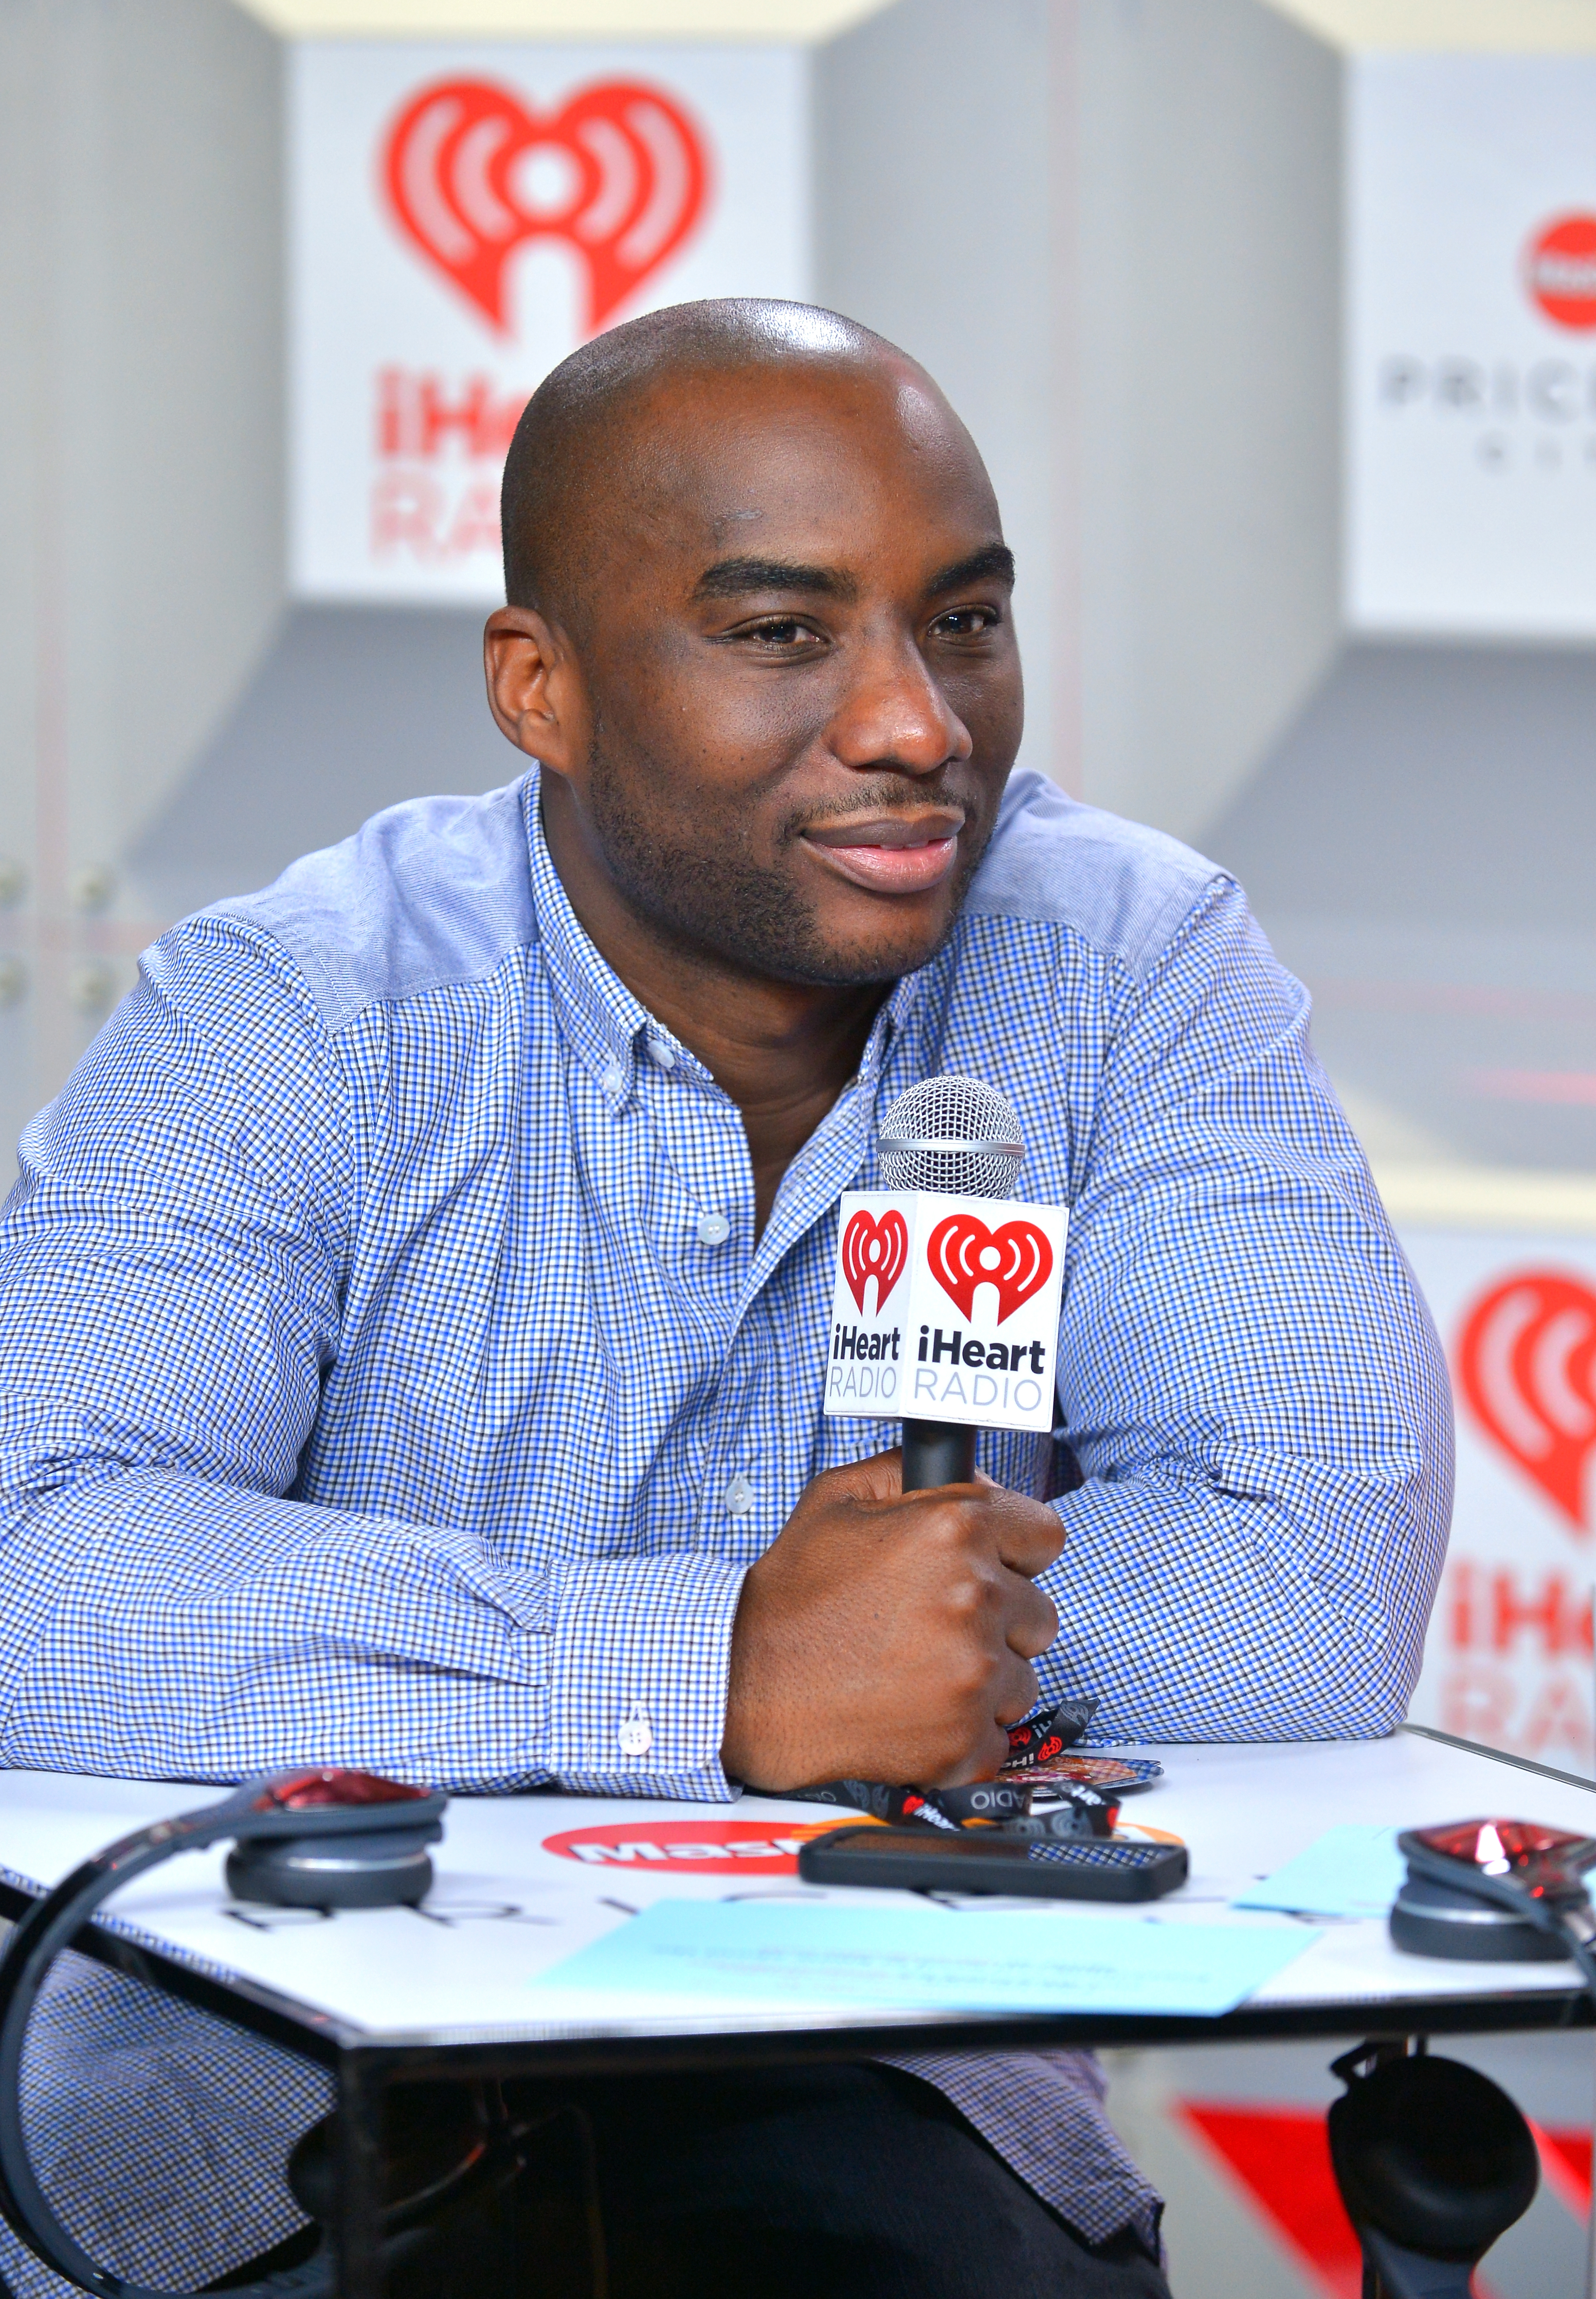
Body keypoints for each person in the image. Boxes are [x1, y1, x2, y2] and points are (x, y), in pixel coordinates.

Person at [0, 299, 1451, 2298]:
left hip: (883, 2069)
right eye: (782, 634)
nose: (915, 724)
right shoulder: (301, 1003)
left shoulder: (1128, 963)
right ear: (544, 687)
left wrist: (910, 1651)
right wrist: (715, 1671)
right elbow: (38, 1568)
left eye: (963, 621)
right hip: (276, 2108)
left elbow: (1300, 1589)